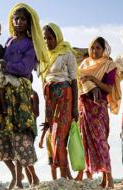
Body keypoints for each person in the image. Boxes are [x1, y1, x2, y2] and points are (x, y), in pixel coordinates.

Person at [0, 3, 47, 190]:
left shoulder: (31, 44)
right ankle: (15, 175)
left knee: (18, 133)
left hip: (20, 93)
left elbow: (25, 68)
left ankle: (22, 178)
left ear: (29, 23)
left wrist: (2, 64)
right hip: (2, 92)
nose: (18, 22)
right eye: (16, 18)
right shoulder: (9, 42)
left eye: (22, 19)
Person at [75, 36, 119, 189]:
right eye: (92, 48)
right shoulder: (84, 64)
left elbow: (108, 88)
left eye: (98, 48)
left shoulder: (109, 65)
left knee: (101, 141)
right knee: (85, 141)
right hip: (85, 106)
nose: (94, 51)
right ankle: (94, 176)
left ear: (104, 49)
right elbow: (80, 85)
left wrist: (93, 78)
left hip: (99, 108)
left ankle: (109, 177)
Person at [39, 23, 78, 179]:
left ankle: (62, 178)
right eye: (45, 38)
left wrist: (75, 107)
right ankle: (65, 176)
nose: (47, 41)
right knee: (52, 136)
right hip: (50, 98)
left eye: (50, 37)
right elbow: (43, 81)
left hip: (65, 97)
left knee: (59, 137)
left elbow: (74, 81)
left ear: (57, 36)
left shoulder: (67, 53)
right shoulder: (43, 56)